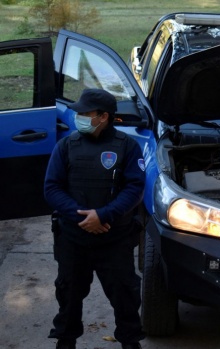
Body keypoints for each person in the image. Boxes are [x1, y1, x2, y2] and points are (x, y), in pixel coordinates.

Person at [44, 89, 146, 349]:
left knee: (125, 295)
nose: (78, 116)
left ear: (103, 117)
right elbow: (52, 188)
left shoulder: (127, 147)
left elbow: (135, 188)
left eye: (84, 113)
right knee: (68, 295)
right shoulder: (66, 146)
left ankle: (130, 343)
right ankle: (65, 343)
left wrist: (103, 215)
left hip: (114, 239)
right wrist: (82, 217)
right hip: (73, 238)